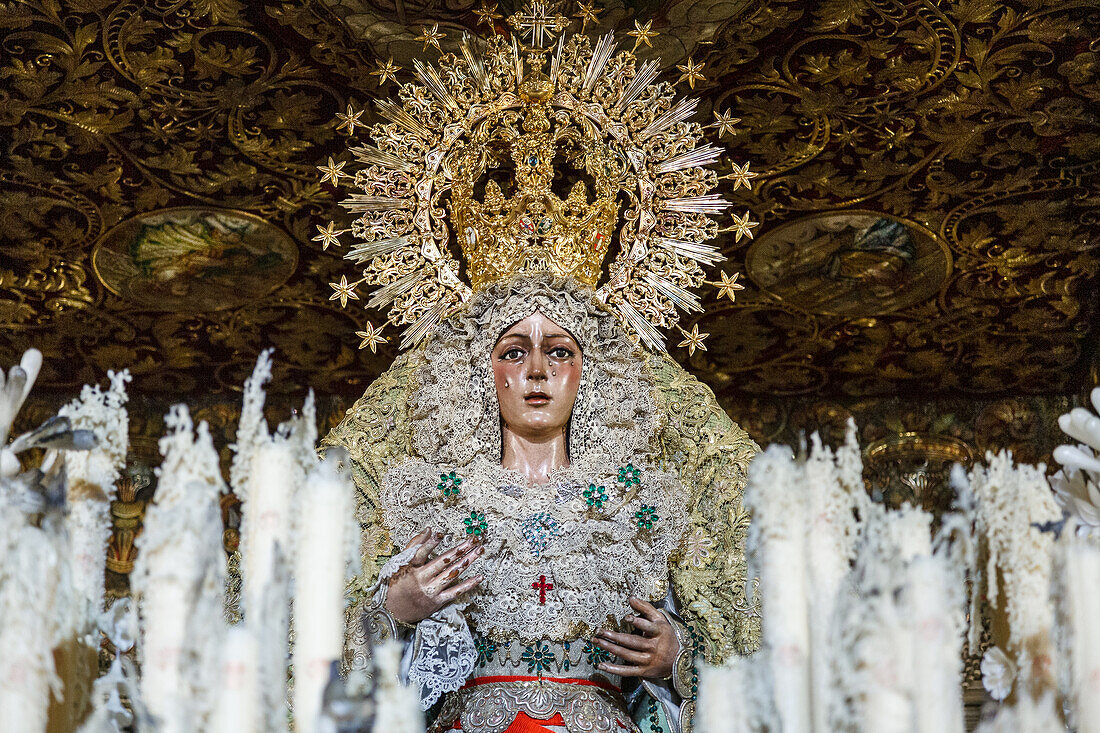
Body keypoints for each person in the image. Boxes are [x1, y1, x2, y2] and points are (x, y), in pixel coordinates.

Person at [322, 276, 759, 732]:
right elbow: (334, 652)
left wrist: (677, 658)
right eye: (513, 352)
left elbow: (729, 634)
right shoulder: (433, 499)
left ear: (587, 372)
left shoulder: (639, 505)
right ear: (480, 372)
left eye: (559, 352)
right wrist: (395, 612)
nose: (536, 370)